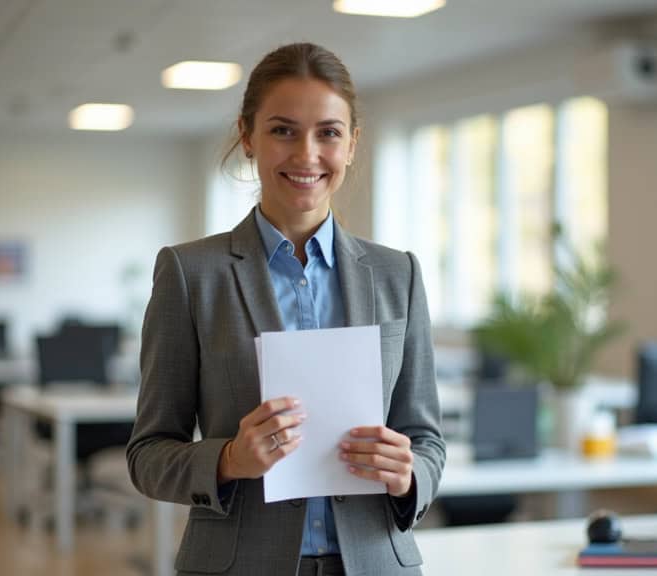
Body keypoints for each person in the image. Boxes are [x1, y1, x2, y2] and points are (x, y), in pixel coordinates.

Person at [126, 43, 445, 576]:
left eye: (328, 132)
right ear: (248, 136)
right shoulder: (191, 274)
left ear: (351, 143)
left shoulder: (398, 274)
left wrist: (409, 474)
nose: (306, 155)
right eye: (282, 130)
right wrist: (228, 460)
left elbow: (427, 438)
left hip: (373, 562)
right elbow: (148, 455)